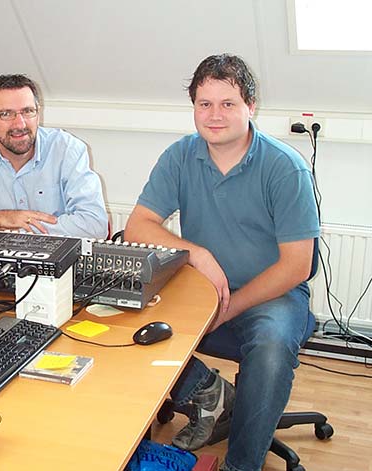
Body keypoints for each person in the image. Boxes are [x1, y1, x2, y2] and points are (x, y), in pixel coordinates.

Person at [123, 54, 319, 471]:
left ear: (250, 106)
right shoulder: (180, 155)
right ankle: (209, 394)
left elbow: (297, 266)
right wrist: (198, 253)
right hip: (202, 287)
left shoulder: (285, 168)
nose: (214, 115)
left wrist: (228, 308)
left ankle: (241, 464)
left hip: (272, 294)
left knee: (269, 351)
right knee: (126, 326)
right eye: (204, 104)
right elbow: (137, 226)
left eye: (228, 103)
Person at [0, 74, 108, 239]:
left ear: (38, 115)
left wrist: (18, 228)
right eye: (6, 114)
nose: (20, 124)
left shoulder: (67, 149)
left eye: (28, 111)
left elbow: (95, 225)